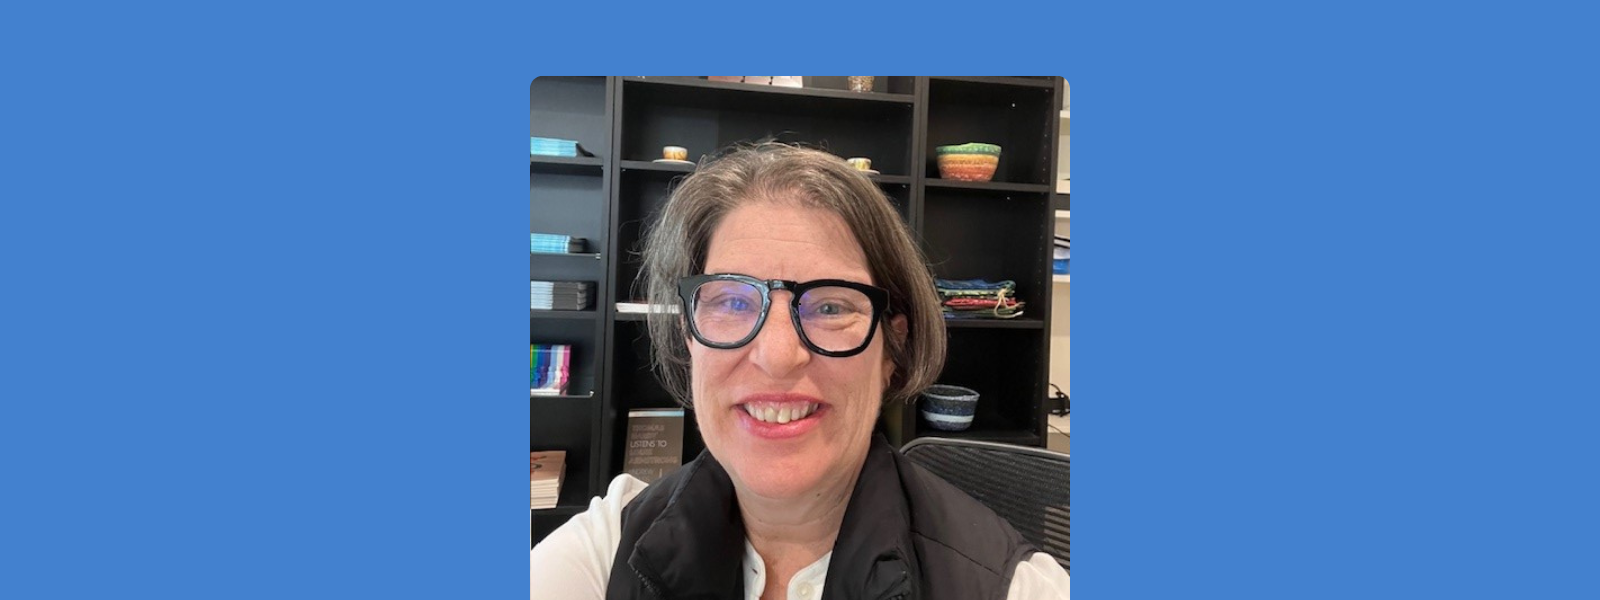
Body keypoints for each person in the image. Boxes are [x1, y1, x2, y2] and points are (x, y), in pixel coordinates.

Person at [531, 143, 1070, 599]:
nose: (777, 355)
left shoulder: (1015, 587)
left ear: (892, 350)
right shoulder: (604, 553)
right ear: (688, 336)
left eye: (831, 307)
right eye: (732, 301)